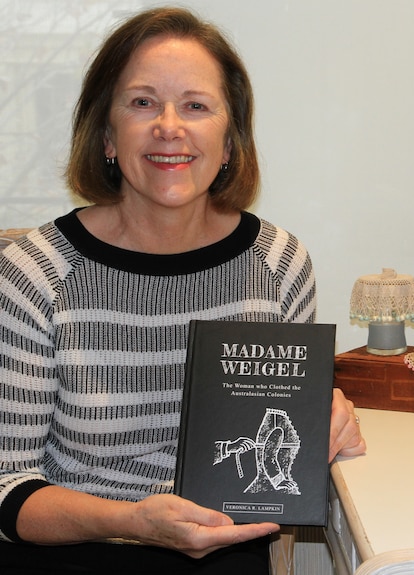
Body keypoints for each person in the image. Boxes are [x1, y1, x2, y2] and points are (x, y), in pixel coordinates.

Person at [0, 6, 365, 574]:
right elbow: (6, 486)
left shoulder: (279, 264)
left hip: (226, 550)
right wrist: (129, 521)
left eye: (195, 106)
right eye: (142, 102)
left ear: (228, 143)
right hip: (77, 549)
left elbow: (278, 437)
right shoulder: (33, 274)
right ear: (106, 135)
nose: (169, 126)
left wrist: (324, 415)